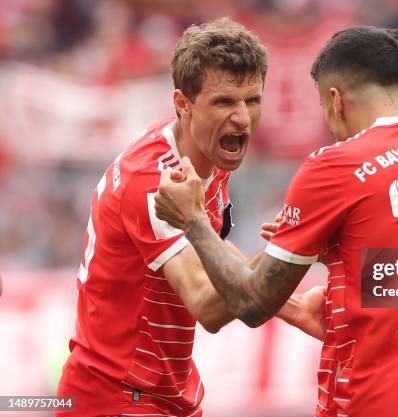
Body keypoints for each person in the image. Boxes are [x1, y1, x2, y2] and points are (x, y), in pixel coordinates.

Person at [154, 26, 398, 417]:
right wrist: (341, 266)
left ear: (335, 102)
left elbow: (250, 304)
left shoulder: (336, 165)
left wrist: (193, 220)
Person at [56, 18, 324, 417]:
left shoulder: (202, 155)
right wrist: (297, 243)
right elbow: (209, 307)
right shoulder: (157, 183)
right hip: (116, 397)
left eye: (252, 100)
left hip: (163, 393)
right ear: (183, 104)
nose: (243, 119)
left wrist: (291, 305)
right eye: (224, 102)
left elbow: (207, 249)